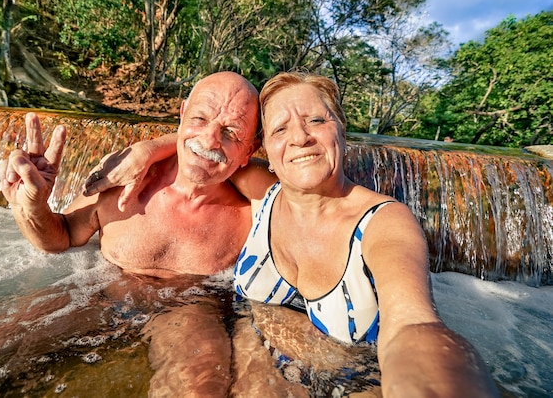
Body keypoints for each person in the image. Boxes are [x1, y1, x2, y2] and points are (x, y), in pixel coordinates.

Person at [87, 72, 500, 397]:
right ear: (264, 148)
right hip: (259, 368)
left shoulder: (384, 222)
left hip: (360, 383)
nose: (300, 136)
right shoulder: (264, 195)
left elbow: (412, 325)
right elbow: (204, 145)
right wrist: (145, 149)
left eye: (316, 120)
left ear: (340, 128)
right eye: (281, 129)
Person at [0, 71, 260, 277]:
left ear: (250, 150)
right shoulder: (124, 176)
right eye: (200, 119)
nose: (209, 139)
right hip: (97, 303)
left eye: (231, 133)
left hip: (192, 320)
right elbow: (63, 236)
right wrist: (31, 207)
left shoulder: (255, 219)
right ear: (182, 115)